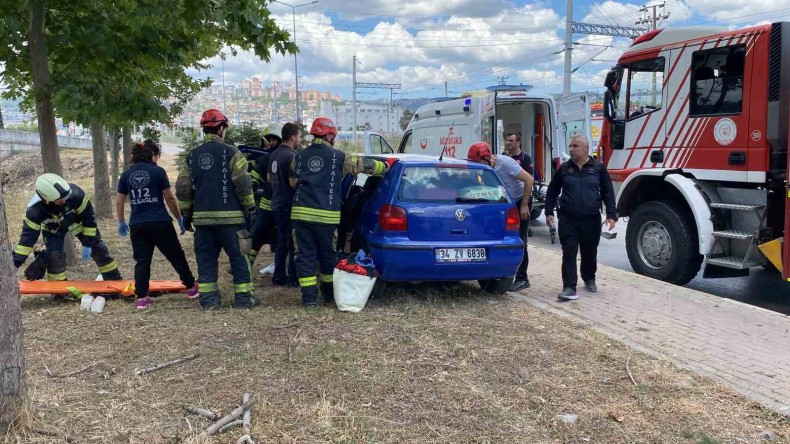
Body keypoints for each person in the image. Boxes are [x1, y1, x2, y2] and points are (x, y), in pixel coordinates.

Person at [289, 117, 394, 307]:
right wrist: (386, 166)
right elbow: (366, 165)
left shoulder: (298, 157)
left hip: (300, 213)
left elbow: (293, 182)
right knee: (327, 255)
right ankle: (328, 294)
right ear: (329, 136)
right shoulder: (340, 157)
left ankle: (309, 299)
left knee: (304, 256)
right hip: (326, 216)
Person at [175, 108, 259, 310]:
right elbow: (243, 183)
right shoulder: (233, 153)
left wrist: (186, 215)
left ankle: (209, 301)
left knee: (206, 261)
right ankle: (244, 299)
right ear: (221, 129)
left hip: (203, 222)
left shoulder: (192, 156)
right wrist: (249, 207)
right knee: (239, 258)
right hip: (231, 221)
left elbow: (183, 187)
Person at [12, 173, 123, 308]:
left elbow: (89, 219)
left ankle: (115, 281)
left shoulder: (76, 195)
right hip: (53, 229)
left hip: (78, 223)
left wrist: (88, 243)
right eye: (60, 199)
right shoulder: (34, 211)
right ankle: (59, 292)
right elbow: (27, 239)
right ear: (46, 199)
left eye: (66, 197)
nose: (64, 201)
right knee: (54, 257)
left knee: (98, 248)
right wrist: (15, 263)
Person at [116, 140, 198, 309]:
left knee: (142, 261)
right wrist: (179, 218)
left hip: (137, 224)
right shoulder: (158, 172)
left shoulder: (126, 175)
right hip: (159, 222)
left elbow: (119, 201)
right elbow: (169, 198)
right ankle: (191, 287)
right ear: (152, 155)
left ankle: (141, 297)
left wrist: (121, 221)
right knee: (175, 255)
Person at [544, 135, 617, 301]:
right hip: (568, 219)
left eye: (575, 146)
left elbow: (608, 192)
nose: (571, 149)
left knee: (589, 251)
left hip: (591, 219)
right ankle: (569, 287)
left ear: (586, 149)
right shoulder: (564, 168)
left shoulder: (598, 168)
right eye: (570, 146)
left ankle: (589, 277)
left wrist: (611, 215)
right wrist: (549, 212)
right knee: (569, 252)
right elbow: (552, 190)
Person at [466, 142, 533, 292]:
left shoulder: (506, 163)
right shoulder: (483, 169)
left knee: (520, 239)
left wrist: (524, 205)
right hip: (504, 202)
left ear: (486, 158)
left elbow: (529, 180)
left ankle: (522, 278)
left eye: (478, 162)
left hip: (520, 200)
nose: (478, 167)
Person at [268, 122, 301, 287]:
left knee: (282, 240)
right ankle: (293, 278)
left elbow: (269, 178)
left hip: (276, 203)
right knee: (293, 243)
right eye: (299, 136)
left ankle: (279, 275)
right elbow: (293, 183)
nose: (300, 140)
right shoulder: (293, 156)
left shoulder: (274, 154)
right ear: (293, 137)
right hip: (289, 204)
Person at [248, 123, 283, 269]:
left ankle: (279, 268)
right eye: (269, 139)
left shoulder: (287, 157)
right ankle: (246, 265)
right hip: (266, 206)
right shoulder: (263, 159)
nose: (272, 143)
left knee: (282, 239)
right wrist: (251, 188)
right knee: (256, 236)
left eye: (275, 139)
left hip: (282, 207)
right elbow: (254, 178)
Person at [506, 133, 537, 237]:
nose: (508, 143)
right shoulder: (505, 156)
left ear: (518, 142)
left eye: (511, 140)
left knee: (522, 232)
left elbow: (529, 179)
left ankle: (523, 246)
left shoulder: (525, 157)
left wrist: (525, 204)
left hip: (522, 197)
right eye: (507, 140)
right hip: (508, 197)